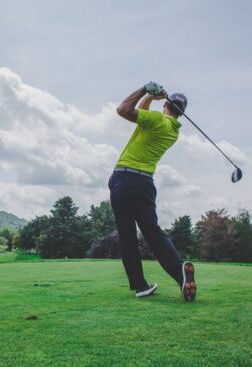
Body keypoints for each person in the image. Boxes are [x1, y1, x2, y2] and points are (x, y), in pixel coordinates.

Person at [108, 82, 196, 301]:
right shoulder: (172, 130)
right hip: (145, 183)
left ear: (166, 104)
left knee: (127, 234)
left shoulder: (157, 120)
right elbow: (143, 114)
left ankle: (139, 285)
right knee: (153, 233)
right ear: (182, 114)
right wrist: (150, 98)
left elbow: (123, 110)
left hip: (124, 179)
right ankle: (179, 275)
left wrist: (143, 90)